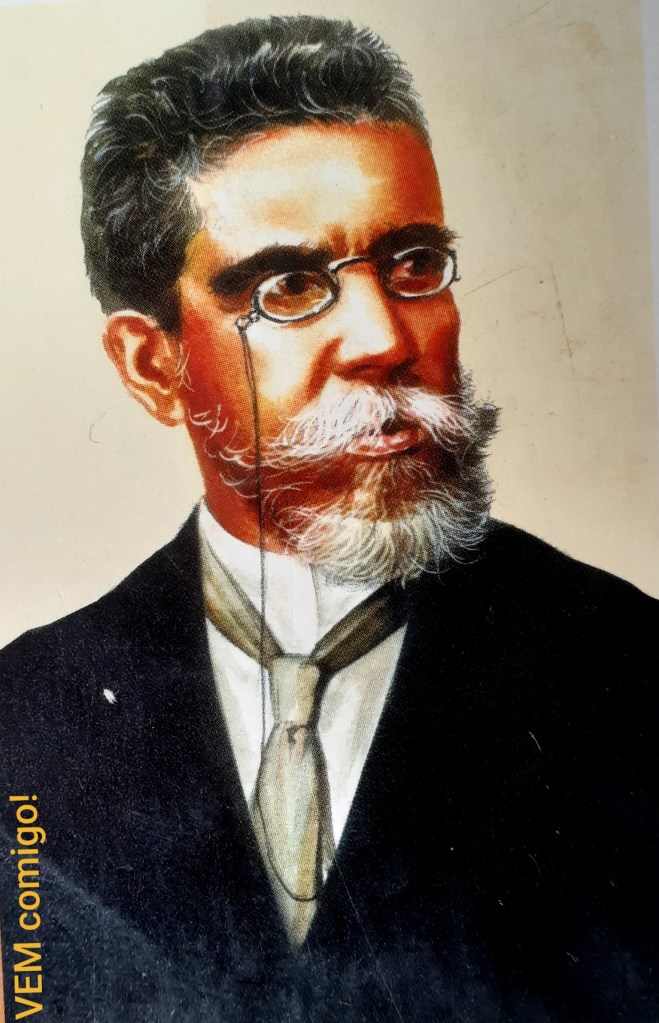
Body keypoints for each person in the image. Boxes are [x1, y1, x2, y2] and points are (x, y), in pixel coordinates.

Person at [0, 15, 657, 1023]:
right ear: (153, 364)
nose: (384, 339)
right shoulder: (24, 718)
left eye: (413, 264)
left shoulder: (629, 673)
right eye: (290, 286)